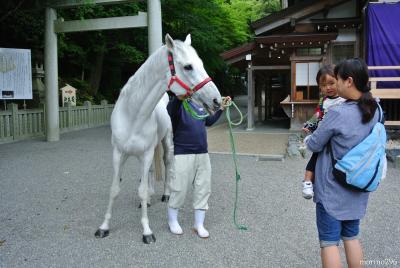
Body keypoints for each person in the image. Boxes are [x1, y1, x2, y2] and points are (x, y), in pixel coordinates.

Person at [304, 58, 380, 268]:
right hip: (358, 187)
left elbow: (315, 144)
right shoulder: (375, 109)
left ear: (348, 81)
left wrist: (308, 137)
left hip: (333, 190)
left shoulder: (337, 113)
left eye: (336, 80)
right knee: (352, 237)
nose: (334, 85)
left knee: (329, 243)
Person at [166, 95, 230, 238]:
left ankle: (199, 224)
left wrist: (221, 109)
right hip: (182, 153)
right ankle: (172, 221)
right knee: (179, 188)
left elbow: (209, 121)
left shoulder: (200, 105)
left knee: (203, 188)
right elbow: (171, 109)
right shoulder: (178, 105)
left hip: (202, 153)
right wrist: (179, 96)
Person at [302, 65, 346, 199]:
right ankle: (307, 182)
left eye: (331, 83)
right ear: (320, 87)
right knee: (315, 157)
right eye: (323, 85)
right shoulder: (323, 101)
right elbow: (317, 115)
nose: (328, 88)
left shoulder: (344, 99)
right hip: (322, 135)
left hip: (338, 135)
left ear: (339, 81)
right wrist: (309, 125)